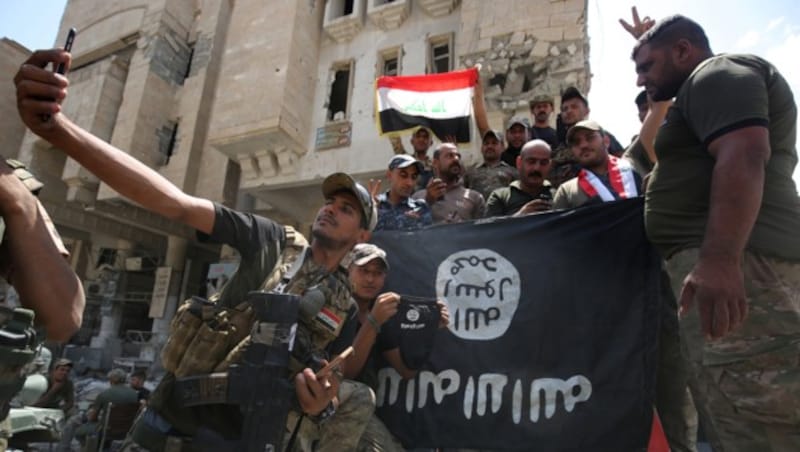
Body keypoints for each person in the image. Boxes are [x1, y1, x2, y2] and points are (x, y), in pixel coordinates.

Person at [15, 48, 376, 451]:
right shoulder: (272, 241)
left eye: (346, 210)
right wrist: (58, 131)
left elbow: (329, 376)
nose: (331, 209)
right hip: (168, 429)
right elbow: (174, 202)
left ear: (361, 236)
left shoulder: (343, 301)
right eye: (330, 202)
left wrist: (319, 399)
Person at [631, 11, 800, 451]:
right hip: (729, 270)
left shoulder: (718, 73)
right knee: (731, 417)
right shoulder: (697, 89)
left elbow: (744, 153)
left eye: (647, 66)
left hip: (746, 268)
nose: (639, 80)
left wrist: (721, 259)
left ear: (684, 51)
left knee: (763, 420)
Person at [343, 243, 448, 452]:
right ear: (348, 270)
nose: (370, 279)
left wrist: (428, 327)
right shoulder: (338, 304)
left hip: (360, 408)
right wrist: (373, 322)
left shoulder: (381, 315)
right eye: (363, 271)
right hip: (330, 401)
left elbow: (406, 370)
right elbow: (346, 372)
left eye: (377, 273)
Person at [552, 121, 641, 209]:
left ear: (606, 141)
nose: (583, 145)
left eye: (590, 138)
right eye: (576, 142)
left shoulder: (633, 166)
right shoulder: (566, 191)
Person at [550, 87, 625, 188]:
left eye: (574, 107)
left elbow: (622, 163)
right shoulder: (557, 143)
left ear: (586, 111)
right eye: (565, 109)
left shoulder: (601, 136)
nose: (569, 111)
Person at [57, 368, 139, 452]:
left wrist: (89, 414)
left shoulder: (105, 394)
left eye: (109, 379)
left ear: (113, 380)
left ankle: (65, 449)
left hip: (105, 431)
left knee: (75, 424)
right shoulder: (134, 394)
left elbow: (92, 418)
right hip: (124, 431)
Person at [413, 144, 485, 223]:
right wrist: (428, 202)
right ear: (435, 163)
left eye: (458, 156)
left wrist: (462, 226)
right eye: (449, 156)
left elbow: (482, 232)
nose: (456, 159)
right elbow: (412, 228)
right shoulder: (418, 197)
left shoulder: (475, 198)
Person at [486, 139, 554, 217]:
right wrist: (520, 216)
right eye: (531, 162)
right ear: (519, 163)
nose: (537, 168)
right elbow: (491, 228)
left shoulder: (557, 196)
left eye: (543, 163)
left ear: (550, 165)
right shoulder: (500, 197)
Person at [374, 155, 432, 231]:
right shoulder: (375, 205)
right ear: (389, 175)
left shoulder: (420, 207)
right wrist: (371, 212)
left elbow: (427, 239)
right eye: (403, 175)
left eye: (413, 177)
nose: (409, 183)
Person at [464, 130, 518, 200]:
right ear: (481, 148)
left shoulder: (512, 172)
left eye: (494, 143)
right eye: (486, 143)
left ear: (502, 147)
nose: (489, 146)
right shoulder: (470, 172)